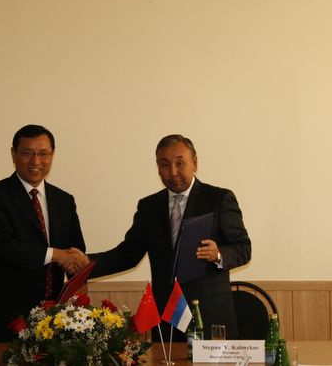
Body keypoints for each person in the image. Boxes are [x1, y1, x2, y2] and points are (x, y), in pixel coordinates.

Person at [89, 134, 251, 340]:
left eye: (179, 163)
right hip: (167, 318)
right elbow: (127, 255)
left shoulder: (219, 199)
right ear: (158, 168)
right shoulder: (149, 207)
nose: (172, 172)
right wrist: (84, 265)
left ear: (194, 163)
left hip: (210, 315)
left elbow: (243, 248)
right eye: (165, 164)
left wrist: (218, 254)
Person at [0, 124, 89, 342]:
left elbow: (75, 250)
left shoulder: (64, 200)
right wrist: (56, 255)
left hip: (55, 317)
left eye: (43, 154)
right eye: (27, 153)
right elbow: (2, 246)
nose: (36, 161)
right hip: (8, 316)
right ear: (14, 154)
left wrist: (79, 277)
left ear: (52, 155)